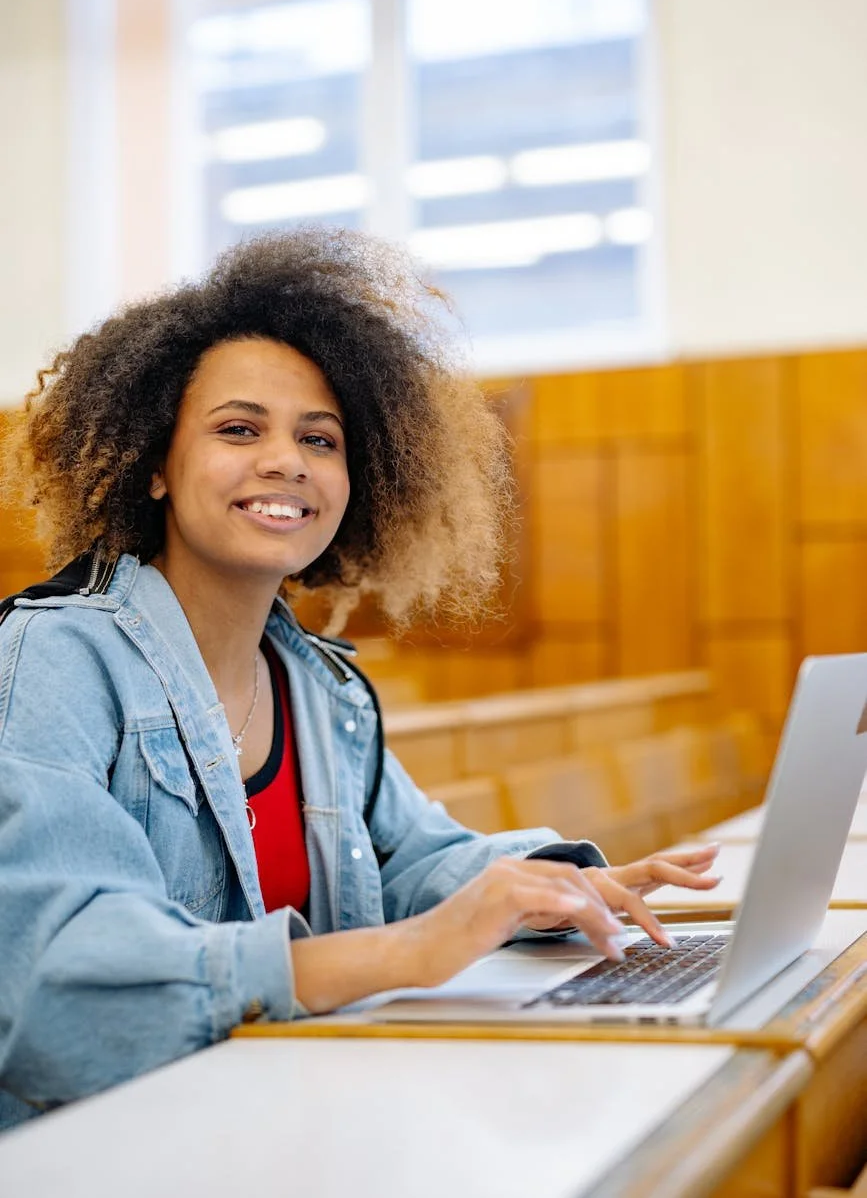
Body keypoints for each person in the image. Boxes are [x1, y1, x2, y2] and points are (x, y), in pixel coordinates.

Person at [0, 228, 719, 1129]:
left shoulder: (322, 690)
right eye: (237, 429)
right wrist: (407, 953)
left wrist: (554, 883)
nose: (286, 461)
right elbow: (65, 987)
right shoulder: (55, 661)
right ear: (153, 464)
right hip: (101, 1146)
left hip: (283, 1114)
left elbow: (415, 860)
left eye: (320, 438)